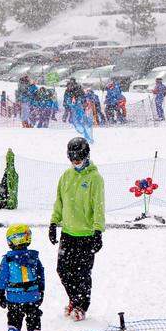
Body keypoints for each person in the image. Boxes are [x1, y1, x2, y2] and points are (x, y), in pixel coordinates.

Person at [49, 137, 105, 321]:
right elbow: (60, 201)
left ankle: (81, 305)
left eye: (79, 157)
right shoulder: (66, 176)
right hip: (68, 233)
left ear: (86, 155)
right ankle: (74, 298)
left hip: (86, 235)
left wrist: (98, 231)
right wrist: (53, 223)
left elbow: (99, 205)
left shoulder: (94, 178)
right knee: (63, 269)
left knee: (82, 273)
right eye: (72, 158)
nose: (76, 162)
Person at [0, 224, 49, 331]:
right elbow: (40, 275)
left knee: (14, 316)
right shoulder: (34, 258)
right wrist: (41, 290)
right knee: (34, 316)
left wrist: (0, 293)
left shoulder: (8, 260)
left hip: (14, 297)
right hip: (32, 295)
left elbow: (2, 278)